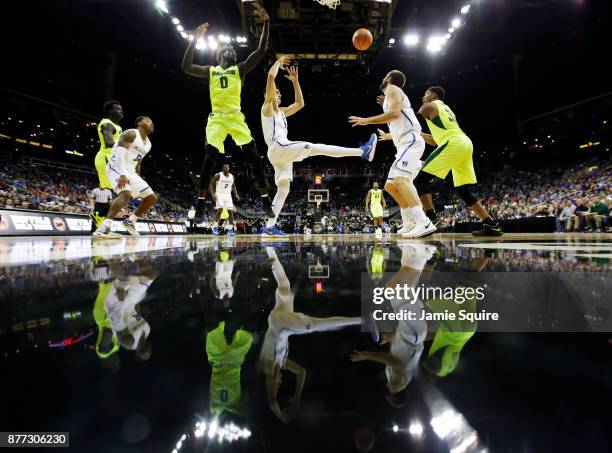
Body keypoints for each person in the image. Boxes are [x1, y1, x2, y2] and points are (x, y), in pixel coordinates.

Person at [262, 56, 377, 236]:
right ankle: (362, 151)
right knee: (316, 147)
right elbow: (270, 77)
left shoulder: (282, 113)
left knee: (283, 189)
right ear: (269, 94)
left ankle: (269, 226)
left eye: (278, 92)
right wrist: (277, 61)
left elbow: (300, 104)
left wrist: (296, 82)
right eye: (276, 92)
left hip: (280, 153)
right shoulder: (267, 108)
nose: (279, 94)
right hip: (279, 147)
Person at [182, 4, 275, 221]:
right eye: (224, 50)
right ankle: (202, 203)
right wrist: (194, 40)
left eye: (231, 50)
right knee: (210, 158)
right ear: (218, 56)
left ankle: (264, 200)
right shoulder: (211, 71)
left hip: (235, 115)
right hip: (216, 118)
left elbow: (260, 51)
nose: (228, 51)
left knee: (254, 156)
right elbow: (186, 67)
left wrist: (267, 23)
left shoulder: (240, 69)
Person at [349, 70, 435, 238]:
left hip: (410, 140)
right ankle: (410, 222)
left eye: (384, 76)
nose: (382, 78)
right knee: (390, 186)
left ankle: (423, 221)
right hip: (403, 144)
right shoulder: (390, 96)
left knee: (400, 180)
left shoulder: (392, 88)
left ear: (389, 79)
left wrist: (366, 120)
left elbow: (395, 114)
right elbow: (396, 115)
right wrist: (385, 106)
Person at [413, 86, 503, 236]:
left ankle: (432, 221)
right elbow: (434, 141)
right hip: (465, 143)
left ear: (433, 95)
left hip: (453, 143)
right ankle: (492, 225)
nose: (423, 97)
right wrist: (419, 133)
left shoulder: (428, 105)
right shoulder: (445, 108)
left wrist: (389, 106)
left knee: (421, 181)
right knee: (463, 190)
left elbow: (409, 123)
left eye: (425, 94)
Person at [93, 116, 158, 238]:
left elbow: (138, 161)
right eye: (148, 121)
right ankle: (103, 228)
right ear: (139, 123)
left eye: (152, 122)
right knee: (125, 194)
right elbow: (119, 154)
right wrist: (123, 173)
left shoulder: (148, 144)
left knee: (152, 198)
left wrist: (138, 177)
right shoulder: (131, 133)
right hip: (116, 166)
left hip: (130, 171)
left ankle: (130, 221)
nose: (151, 123)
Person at [95, 100, 123, 192]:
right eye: (118, 109)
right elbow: (109, 142)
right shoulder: (106, 124)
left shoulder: (118, 126)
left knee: (120, 190)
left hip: (114, 159)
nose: (121, 111)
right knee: (113, 191)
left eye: (121, 109)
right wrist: (128, 145)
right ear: (111, 111)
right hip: (106, 158)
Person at [209, 164, 239, 235]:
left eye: (227, 167)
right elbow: (211, 185)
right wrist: (213, 194)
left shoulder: (232, 176)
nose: (226, 168)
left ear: (229, 168)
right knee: (220, 209)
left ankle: (230, 229)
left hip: (228, 194)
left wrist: (236, 194)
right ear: (222, 169)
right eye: (224, 167)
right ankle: (215, 226)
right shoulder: (218, 175)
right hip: (219, 194)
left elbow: (233, 186)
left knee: (230, 211)